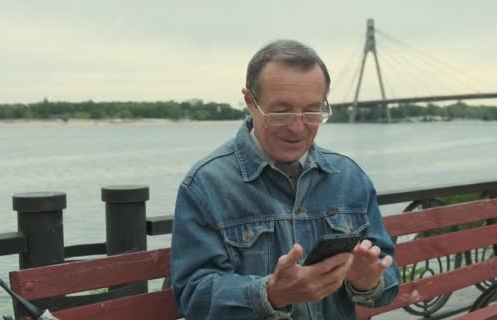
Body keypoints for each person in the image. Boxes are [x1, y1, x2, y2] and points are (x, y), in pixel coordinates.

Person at [171, 39, 399, 320]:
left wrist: (368, 281)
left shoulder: (349, 177)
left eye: (312, 111)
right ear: (249, 103)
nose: (297, 127)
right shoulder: (205, 185)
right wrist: (270, 294)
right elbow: (192, 296)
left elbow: (388, 282)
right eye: (281, 111)